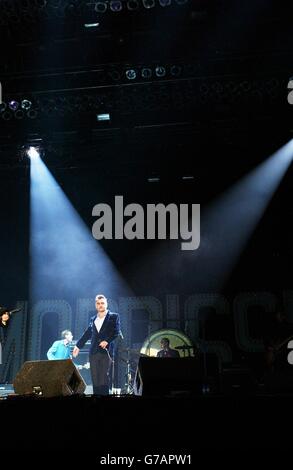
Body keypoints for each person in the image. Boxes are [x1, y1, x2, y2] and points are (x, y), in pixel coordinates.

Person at [73, 294, 120, 395]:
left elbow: (116, 332)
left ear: (106, 304)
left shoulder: (114, 316)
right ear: (96, 305)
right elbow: (87, 334)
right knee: (95, 379)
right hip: (93, 352)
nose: (100, 305)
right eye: (98, 303)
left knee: (103, 378)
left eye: (102, 303)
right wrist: (78, 346)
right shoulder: (93, 319)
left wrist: (106, 341)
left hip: (106, 352)